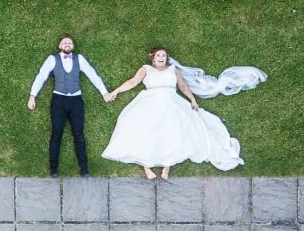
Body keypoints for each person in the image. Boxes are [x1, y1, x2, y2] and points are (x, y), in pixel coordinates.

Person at [101, 47, 243, 179]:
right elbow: (132, 82)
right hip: (149, 102)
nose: (161, 57)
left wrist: (192, 99)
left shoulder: (173, 70)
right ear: (153, 58)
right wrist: (116, 91)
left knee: (172, 131)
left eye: (163, 55)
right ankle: (146, 166)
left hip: (172, 102)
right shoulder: (146, 69)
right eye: (158, 55)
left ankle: (167, 165)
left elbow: (182, 86)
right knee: (146, 131)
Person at [28, 35, 111, 178]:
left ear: (73, 46)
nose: (67, 44)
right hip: (58, 101)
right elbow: (41, 76)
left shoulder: (80, 58)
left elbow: (92, 74)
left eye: (70, 42)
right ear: (60, 46)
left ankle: (84, 170)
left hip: (76, 101)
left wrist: (104, 92)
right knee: (56, 134)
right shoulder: (52, 59)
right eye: (64, 42)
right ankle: (53, 169)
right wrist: (32, 95)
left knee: (79, 134)